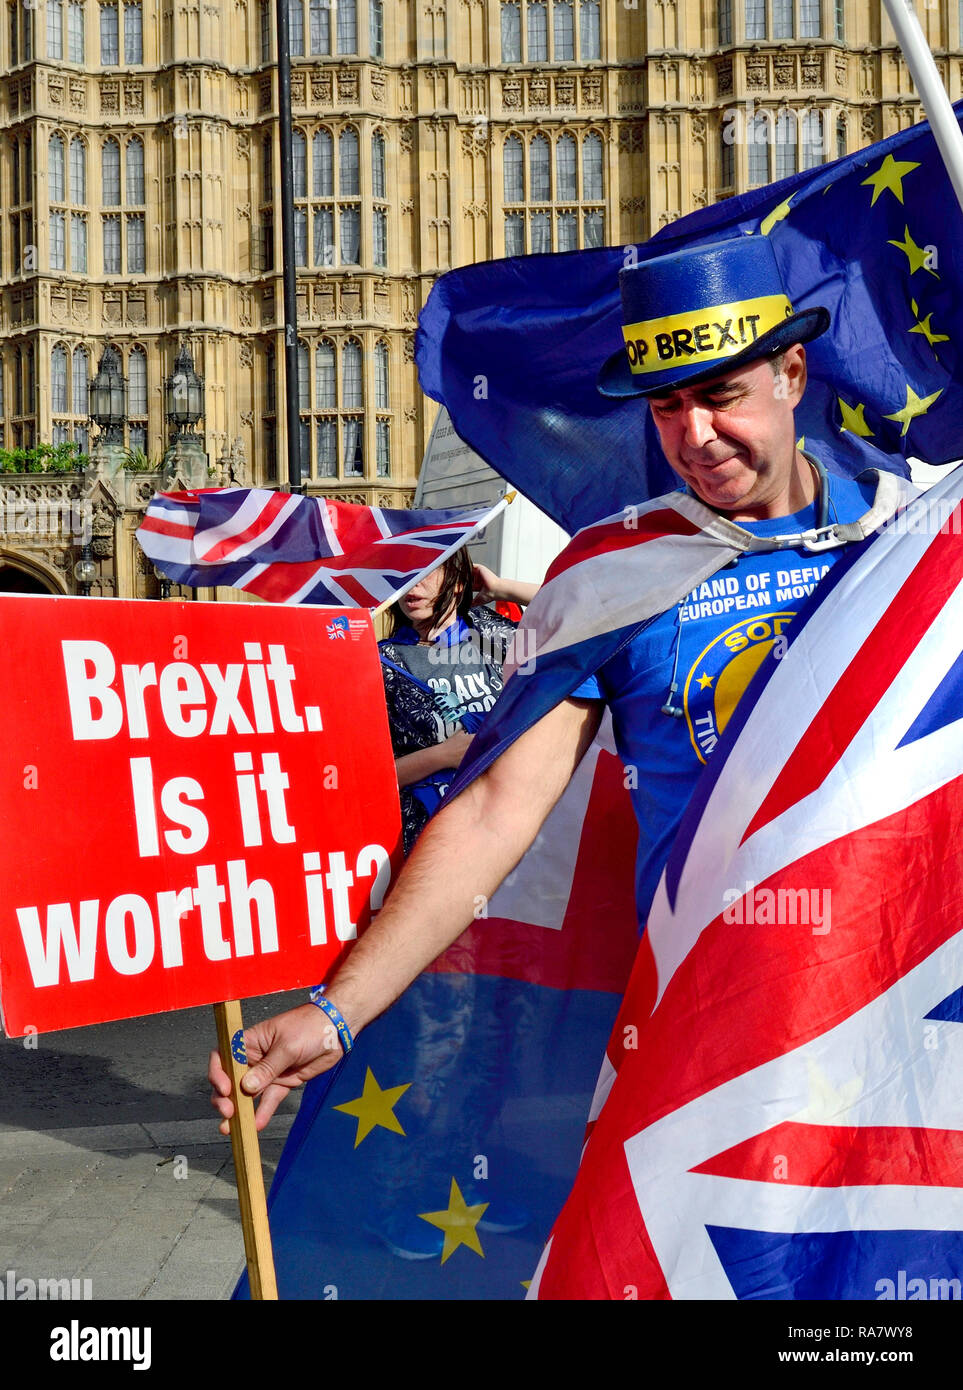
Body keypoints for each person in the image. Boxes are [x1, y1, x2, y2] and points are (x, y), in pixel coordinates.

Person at [209, 235, 903, 1205]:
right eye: (668, 405)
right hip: (713, 1034)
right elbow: (496, 806)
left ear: (792, 373)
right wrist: (338, 1009)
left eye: (723, 394)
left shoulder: (914, 537)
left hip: (910, 1010)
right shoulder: (609, 573)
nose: (696, 434)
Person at [379, 547, 536, 854]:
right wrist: (443, 756)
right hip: (437, 838)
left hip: (514, 824)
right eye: (405, 573)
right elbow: (365, 777)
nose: (412, 584)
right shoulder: (380, 662)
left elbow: (585, 614)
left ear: (458, 580)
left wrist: (501, 587)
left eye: (427, 571)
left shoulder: (489, 632)